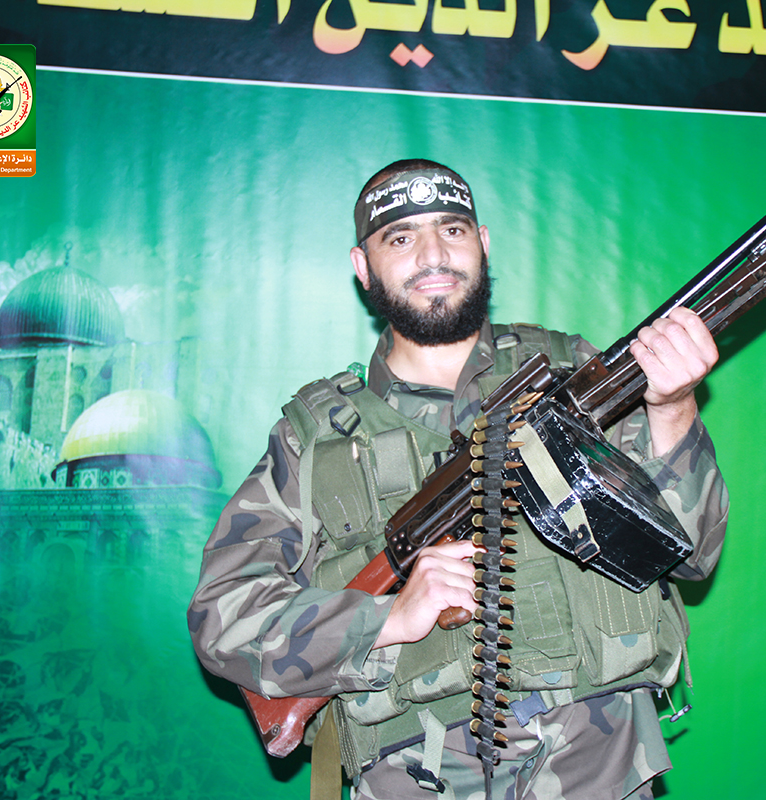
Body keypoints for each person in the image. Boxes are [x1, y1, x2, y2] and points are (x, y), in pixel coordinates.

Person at [188, 159, 728, 800]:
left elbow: (693, 558)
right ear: (363, 266)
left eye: (452, 229)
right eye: (400, 237)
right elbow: (222, 618)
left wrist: (673, 409)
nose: (433, 254)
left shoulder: (574, 377)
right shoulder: (316, 438)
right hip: (418, 776)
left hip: (602, 762)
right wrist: (385, 618)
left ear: (483, 243)